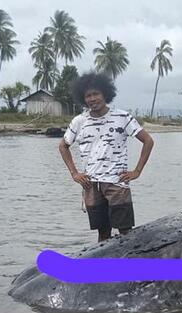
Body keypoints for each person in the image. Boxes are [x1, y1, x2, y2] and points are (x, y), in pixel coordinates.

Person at [57, 72, 155, 241]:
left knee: (126, 232)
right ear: (83, 98)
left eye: (96, 94)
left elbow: (148, 141)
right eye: (88, 95)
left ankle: (129, 266)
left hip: (117, 183)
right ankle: (103, 267)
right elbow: (63, 146)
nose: (92, 99)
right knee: (102, 233)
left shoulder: (122, 117)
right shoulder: (79, 121)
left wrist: (137, 171)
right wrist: (74, 173)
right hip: (91, 184)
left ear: (105, 94)